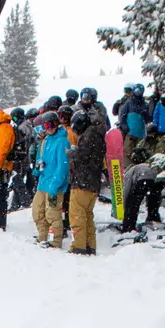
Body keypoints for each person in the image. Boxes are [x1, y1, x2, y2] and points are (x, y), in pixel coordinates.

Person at [67, 105, 106, 255]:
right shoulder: (97, 135)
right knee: (88, 215)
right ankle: (90, 245)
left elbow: (82, 156)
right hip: (93, 182)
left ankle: (79, 246)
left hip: (82, 181)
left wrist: (72, 154)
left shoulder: (88, 136)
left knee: (77, 215)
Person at [31, 109, 70, 248]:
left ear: (55, 124)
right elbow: (41, 158)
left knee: (52, 214)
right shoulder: (46, 141)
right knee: (37, 212)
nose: (46, 129)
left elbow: (63, 167)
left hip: (54, 185)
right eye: (44, 127)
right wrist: (38, 167)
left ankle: (55, 241)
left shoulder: (62, 142)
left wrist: (55, 185)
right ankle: (42, 237)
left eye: (48, 126)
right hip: (43, 182)